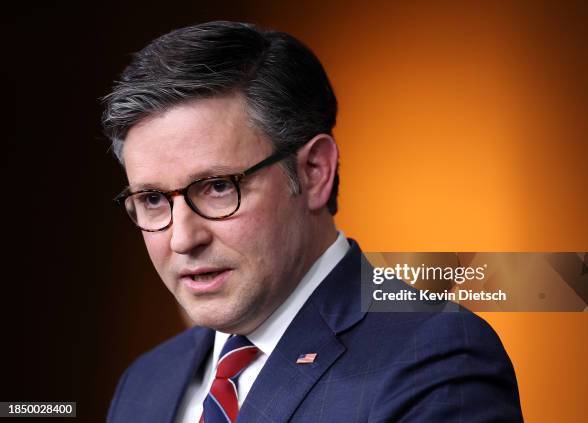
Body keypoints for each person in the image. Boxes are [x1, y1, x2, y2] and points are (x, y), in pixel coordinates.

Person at [102, 20, 523, 423]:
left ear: (314, 172)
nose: (182, 239)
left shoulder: (437, 361)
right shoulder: (145, 382)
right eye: (153, 198)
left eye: (217, 187)